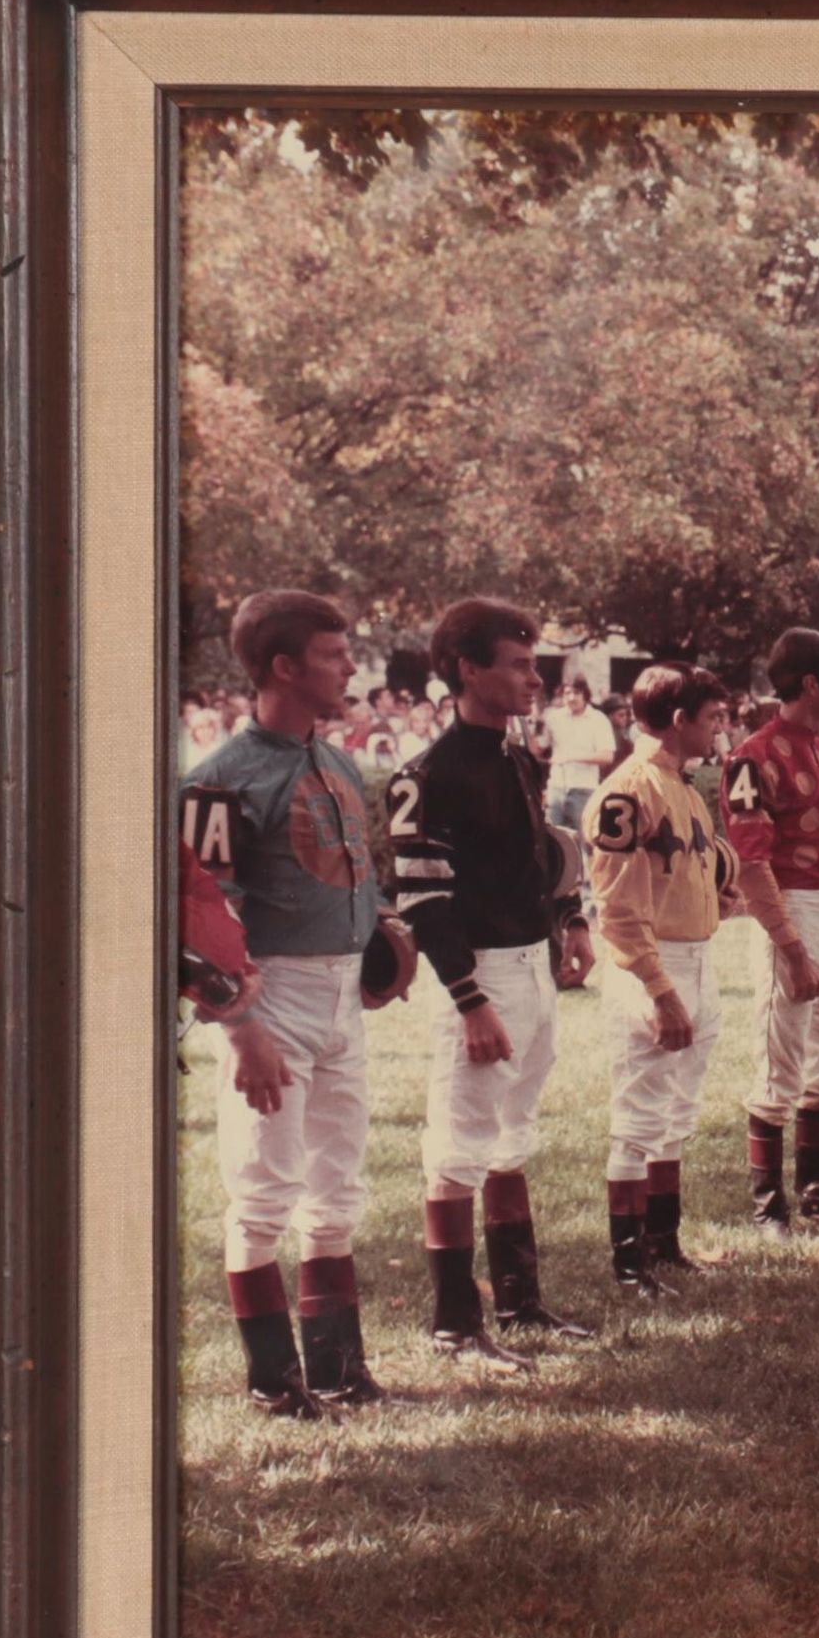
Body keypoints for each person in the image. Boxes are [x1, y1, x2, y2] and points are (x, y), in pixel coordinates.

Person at [179, 589, 398, 1414]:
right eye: (335, 654)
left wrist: (377, 935)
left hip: (339, 996)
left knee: (336, 1188)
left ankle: (341, 1369)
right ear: (284, 665)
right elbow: (200, 915)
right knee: (264, 1187)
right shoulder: (222, 781)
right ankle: (275, 1383)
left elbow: (353, 876)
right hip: (271, 995)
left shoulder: (335, 761)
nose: (350, 667)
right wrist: (239, 1030)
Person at [390, 595, 599, 1364]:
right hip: (478, 972)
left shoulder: (518, 757)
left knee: (513, 1136)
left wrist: (571, 917)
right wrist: (469, 1000)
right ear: (466, 669)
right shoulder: (429, 774)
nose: (533, 678)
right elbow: (424, 901)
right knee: (457, 1148)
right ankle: (454, 1322)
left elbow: (541, 851)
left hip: (531, 965)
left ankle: (520, 1301)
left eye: (533, 663)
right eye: (515, 665)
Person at [586, 663, 738, 1296]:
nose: (720, 731)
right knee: (640, 1113)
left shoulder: (684, 784)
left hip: (695, 956)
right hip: (651, 965)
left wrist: (716, 902)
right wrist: (659, 989)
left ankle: (662, 1241)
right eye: (713, 719)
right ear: (679, 721)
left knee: (676, 1110)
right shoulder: (628, 790)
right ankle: (629, 1264)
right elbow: (617, 909)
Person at [723, 626, 819, 1227]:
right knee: (780, 1058)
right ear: (810, 684)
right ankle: (767, 1208)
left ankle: (818, 1197)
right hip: (792, 915)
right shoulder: (753, 756)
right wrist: (791, 947)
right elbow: (752, 863)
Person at [542, 674, 618, 836]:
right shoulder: (554, 718)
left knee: (585, 843)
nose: (571, 698)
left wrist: (571, 757)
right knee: (555, 841)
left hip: (584, 788)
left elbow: (607, 757)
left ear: (585, 694)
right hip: (556, 788)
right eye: (566, 693)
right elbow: (541, 747)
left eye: (576, 693)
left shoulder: (598, 719)